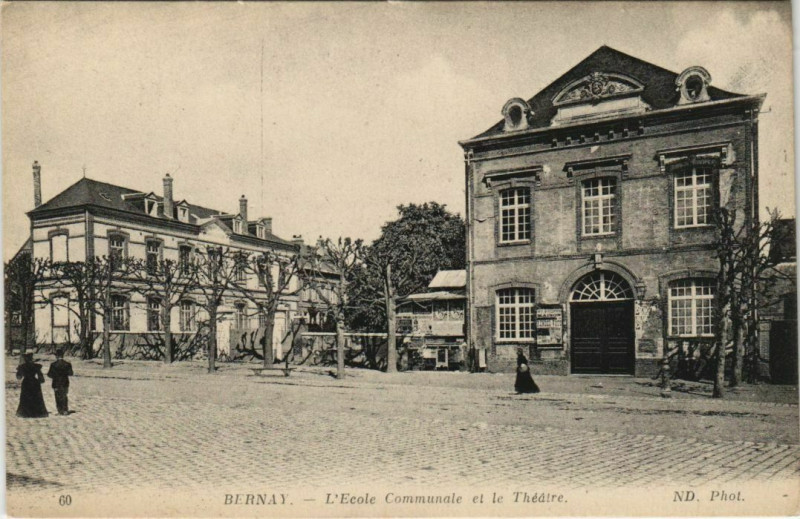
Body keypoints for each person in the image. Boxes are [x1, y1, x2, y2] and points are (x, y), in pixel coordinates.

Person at [16, 353, 49, 418]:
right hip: (34, 383)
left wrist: (19, 370)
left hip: (26, 383)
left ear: (25, 359)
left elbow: (19, 377)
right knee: (36, 397)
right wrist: (40, 381)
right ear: (31, 359)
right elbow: (41, 378)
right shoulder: (36, 366)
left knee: (26, 397)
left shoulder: (22, 366)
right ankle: (36, 413)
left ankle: (25, 413)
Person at [47, 349, 74, 416]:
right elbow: (71, 373)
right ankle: (65, 410)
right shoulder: (67, 364)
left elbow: (49, 375)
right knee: (64, 396)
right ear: (63, 355)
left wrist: (55, 376)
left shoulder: (53, 364)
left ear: (56, 356)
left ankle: (60, 411)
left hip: (56, 383)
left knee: (57, 397)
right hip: (65, 382)